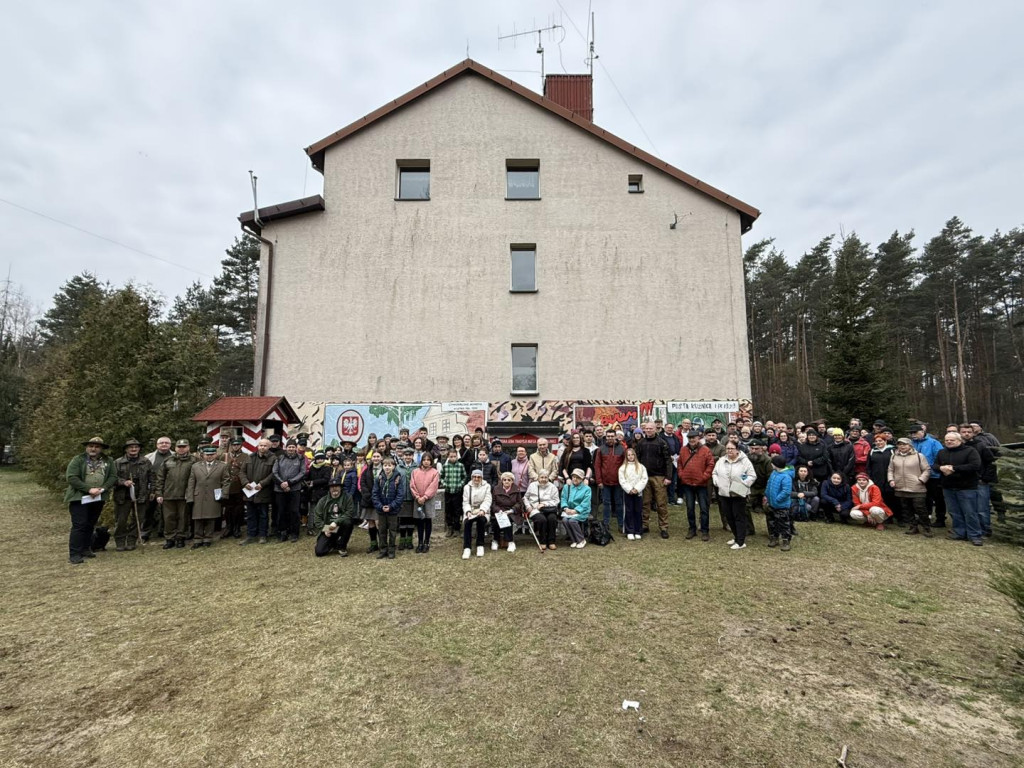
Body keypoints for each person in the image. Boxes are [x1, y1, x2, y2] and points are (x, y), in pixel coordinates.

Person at [64, 436, 117, 564]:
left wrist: (103, 489)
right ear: (87, 447)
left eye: (97, 446)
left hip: (98, 497)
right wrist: (89, 489)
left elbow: (113, 477)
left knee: (90, 524)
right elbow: (71, 477)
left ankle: (85, 549)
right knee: (79, 525)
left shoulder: (108, 461)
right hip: (79, 497)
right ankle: (74, 553)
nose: (93, 449)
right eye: (91, 446)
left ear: (101, 449)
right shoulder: (78, 459)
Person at [933, 431, 983, 546]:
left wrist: (954, 468)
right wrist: (941, 468)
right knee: (954, 512)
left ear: (959, 441)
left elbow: (975, 465)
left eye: (952, 440)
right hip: (948, 487)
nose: (949, 442)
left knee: (970, 512)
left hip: (967, 487)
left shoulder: (970, 451)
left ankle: (974, 535)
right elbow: (934, 465)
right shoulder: (942, 452)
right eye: (947, 440)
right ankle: (959, 532)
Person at [186, 444, 231, 548]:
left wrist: (224, 494)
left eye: (212, 454)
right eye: (207, 454)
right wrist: (190, 496)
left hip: (214, 495)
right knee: (198, 518)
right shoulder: (195, 466)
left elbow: (226, 481)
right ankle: (197, 539)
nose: (209, 456)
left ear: (215, 455)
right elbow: (191, 482)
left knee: (211, 518)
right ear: (203, 455)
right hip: (198, 495)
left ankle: (207, 538)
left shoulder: (222, 466)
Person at [712, 442, 755, 550]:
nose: (729, 450)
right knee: (729, 516)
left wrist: (742, 483)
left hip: (738, 493)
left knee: (738, 516)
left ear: (737, 449)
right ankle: (736, 537)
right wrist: (717, 482)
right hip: (724, 493)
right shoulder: (721, 460)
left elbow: (752, 475)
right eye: (728, 448)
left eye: (732, 448)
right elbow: (715, 473)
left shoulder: (745, 461)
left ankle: (741, 541)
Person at [112, 438, 152, 551]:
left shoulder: (145, 462)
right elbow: (112, 478)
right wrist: (123, 482)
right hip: (123, 496)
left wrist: (152, 491)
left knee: (138, 519)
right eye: (131, 447)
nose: (134, 449)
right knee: (121, 520)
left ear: (139, 449)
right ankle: (120, 540)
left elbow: (152, 477)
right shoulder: (118, 462)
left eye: (136, 447)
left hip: (141, 495)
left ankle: (131, 540)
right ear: (126, 449)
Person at [155, 439, 196, 549]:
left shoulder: (194, 460)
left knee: (183, 518)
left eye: (184, 446)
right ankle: (169, 538)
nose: (181, 449)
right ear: (175, 448)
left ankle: (180, 538)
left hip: (184, 495)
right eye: (179, 447)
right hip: (168, 495)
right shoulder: (168, 460)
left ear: (188, 447)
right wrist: (159, 493)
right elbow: (160, 478)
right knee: (168, 518)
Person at [887, 437, 932, 536]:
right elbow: (890, 470)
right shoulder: (894, 456)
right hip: (900, 486)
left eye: (904, 444)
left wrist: (921, 480)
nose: (902, 446)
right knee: (906, 509)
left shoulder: (919, 456)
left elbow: (927, 470)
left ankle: (926, 527)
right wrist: (891, 480)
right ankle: (913, 526)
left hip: (916, 487)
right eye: (900, 444)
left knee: (920, 508)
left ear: (910, 445)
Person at [635, 421, 672, 538]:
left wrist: (668, 477)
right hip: (644, 478)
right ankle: (645, 525)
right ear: (644, 430)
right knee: (645, 503)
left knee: (661, 503)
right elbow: (637, 461)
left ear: (656, 429)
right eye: (647, 428)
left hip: (659, 477)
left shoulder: (662, 442)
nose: (649, 430)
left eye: (651, 428)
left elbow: (668, 461)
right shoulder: (641, 443)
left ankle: (664, 527)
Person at [677, 430, 715, 541]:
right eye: (690, 438)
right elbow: (679, 463)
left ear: (698, 438)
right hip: (687, 483)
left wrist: (704, 477)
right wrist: (681, 475)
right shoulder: (683, 450)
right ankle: (692, 529)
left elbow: (710, 464)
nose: (692, 440)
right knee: (690, 508)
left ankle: (705, 530)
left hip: (702, 484)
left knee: (704, 508)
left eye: (694, 438)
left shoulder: (705, 450)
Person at [959, 423, 996, 537]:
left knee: (982, 508)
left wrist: (985, 478)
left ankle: (985, 529)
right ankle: (968, 528)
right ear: (959, 433)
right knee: (967, 508)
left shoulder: (981, 445)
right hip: (963, 482)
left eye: (969, 432)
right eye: (964, 432)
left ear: (973, 433)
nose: (966, 434)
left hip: (980, 482)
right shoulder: (956, 446)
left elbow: (991, 463)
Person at [239, 438, 275, 544]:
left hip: (263, 491)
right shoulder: (250, 457)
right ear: (257, 446)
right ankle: (250, 535)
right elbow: (242, 472)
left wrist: (262, 484)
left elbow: (273, 474)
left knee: (263, 514)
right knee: (250, 514)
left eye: (265, 445)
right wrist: (245, 483)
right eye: (260, 445)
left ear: (269, 447)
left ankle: (262, 535)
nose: (262, 447)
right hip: (250, 491)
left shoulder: (273, 458)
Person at [910, 423, 946, 528]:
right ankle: (925, 517)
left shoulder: (933, 443)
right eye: (911, 433)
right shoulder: (911, 443)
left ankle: (940, 519)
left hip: (934, 476)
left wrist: (934, 469)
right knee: (924, 498)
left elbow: (939, 457)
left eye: (915, 432)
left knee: (938, 498)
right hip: (918, 476)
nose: (913, 435)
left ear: (922, 432)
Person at [372, 456, 405, 559]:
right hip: (381, 510)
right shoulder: (379, 478)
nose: (387, 467)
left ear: (394, 466)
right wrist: (380, 506)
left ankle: (391, 549)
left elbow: (400, 496)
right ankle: (383, 549)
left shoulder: (397, 479)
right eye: (385, 465)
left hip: (393, 511)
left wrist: (391, 506)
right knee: (381, 530)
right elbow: (375, 494)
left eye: (389, 465)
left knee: (392, 531)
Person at [313, 478, 357, 556]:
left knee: (348, 522)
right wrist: (325, 529)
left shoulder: (348, 498)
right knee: (319, 552)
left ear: (340, 487)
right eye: (332, 487)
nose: (334, 488)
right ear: (329, 489)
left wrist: (336, 522)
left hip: (341, 526)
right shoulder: (323, 501)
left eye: (337, 486)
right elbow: (317, 518)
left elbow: (349, 513)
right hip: (328, 527)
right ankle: (333, 543)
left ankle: (341, 546)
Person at [594, 430, 626, 530]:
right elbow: (597, 466)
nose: (610, 438)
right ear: (605, 437)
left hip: (618, 482)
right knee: (606, 503)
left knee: (619, 503)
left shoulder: (622, 449)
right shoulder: (601, 449)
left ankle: (621, 524)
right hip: (605, 482)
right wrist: (599, 481)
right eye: (608, 436)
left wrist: (624, 480)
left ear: (615, 437)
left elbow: (625, 465)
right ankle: (606, 523)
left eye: (612, 436)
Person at [142, 436, 172, 540]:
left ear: (170, 445)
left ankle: (164, 531)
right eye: (161, 443)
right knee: (149, 511)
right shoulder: (148, 457)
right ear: (157, 445)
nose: (164, 445)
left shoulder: (175, 456)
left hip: (169, 488)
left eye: (166, 443)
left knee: (168, 511)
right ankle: (145, 533)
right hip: (152, 488)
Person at [410, 453, 440, 554]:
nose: (426, 461)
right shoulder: (415, 471)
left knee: (427, 520)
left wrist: (425, 496)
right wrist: (417, 497)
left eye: (428, 460)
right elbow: (412, 485)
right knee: (419, 522)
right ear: (421, 461)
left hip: (429, 500)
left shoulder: (435, 472)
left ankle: (427, 542)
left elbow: (433, 486)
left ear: (431, 461)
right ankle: (420, 542)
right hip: (417, 500)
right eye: (424, 459)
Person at [524, 470, 560, 550]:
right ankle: (543, 541)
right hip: (535, 509)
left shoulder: (552, 487)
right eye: (542, 477)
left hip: (549, 509)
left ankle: (551, 542)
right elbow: (525, 497)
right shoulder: (532, 485)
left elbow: (556, 500)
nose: (543, 479)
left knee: (552, 519)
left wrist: (545, 504)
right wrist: (528, 506)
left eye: (545, 477)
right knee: (542, 520)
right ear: (538, 477)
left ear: (548, 478)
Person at [764, 455, 794, 550]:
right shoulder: (774, 473)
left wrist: (777, 499)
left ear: (775, 465)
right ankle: (774, 538)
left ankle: (786, 541)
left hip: (781, 505)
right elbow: (769, 485)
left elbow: (786, 491)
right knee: (772, 522)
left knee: (783, 523)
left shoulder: (786, 476)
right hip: (771, 503)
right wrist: (767, 495)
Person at [618, 447, 648, 540]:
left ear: (635, 455)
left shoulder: (641, 466)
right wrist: (630, 489)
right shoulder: (623, 468)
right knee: (629, 511)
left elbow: (644, 479)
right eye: (629, 455)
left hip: (638, 492)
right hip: (628, 492)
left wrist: (637, 489)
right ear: (626, 457)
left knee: (638, 511)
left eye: (632, 455)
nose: (631, 457)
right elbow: (622, 480)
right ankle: (629, 530)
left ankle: (638, 530)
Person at [461, 468, 492, 559]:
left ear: (481, 478)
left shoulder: (487, 486)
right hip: (471, 510)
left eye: (479, 477)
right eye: (474, 477)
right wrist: (468, 512)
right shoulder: (467, 487)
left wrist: (483, 510)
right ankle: (467, 548)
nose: (476, 479)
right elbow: (465, 502)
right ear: (471, 477)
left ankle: (480, 545)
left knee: (481, 521)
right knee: (467, 523)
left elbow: (488, 499)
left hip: (483, 511)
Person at [492, 471, 524, 552]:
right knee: (496, 520)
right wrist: (498, 510)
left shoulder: (516, 489)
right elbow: (493, 503)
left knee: (507, 519)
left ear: (512, 481)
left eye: (509, 480)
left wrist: (512, 510)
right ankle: (495, 540)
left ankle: (510, 542)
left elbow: (519, 503)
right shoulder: (496, 489)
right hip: (499, 511)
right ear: (502, 481)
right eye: (504, 480)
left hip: (512, 511)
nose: (506, 481)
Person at [221, 438, 247, 539]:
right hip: (227, 486)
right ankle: (229, 527)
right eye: (233, 444)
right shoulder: (225, 456)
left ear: (241, 445)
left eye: (238, 444)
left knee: (238, 508)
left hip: (239, 486)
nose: (235, 446)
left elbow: (246, 471)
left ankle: (237, 528)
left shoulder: (246, 457)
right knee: (228, 508)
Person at [867, 434, 896, 522]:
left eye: (880, 441)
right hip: (876, 479)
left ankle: (892, 516)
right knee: (879, 498)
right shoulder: (872, 451)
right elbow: (869, 466)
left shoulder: (892, 450)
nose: (878, 443)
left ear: (885, 441)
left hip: (889, 478)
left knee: (890, 497)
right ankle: (882, 516)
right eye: (876, 441)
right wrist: (870, 478)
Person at [560, 468, 592, 548]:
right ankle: (574, 540)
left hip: (582, 511)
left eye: (577, 477)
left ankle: (581, 540)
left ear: (582, 479)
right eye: (573, 476)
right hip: (569, 510)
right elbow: (563, 498)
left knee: (572, 521)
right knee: (564, 520)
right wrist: (565, 508)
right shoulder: (567, 487)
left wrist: (576, 510)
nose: (575, 479)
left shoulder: (587, 489)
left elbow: (585, 503)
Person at [662, 423, 682, 505]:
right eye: (668, 428)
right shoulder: (660, 437)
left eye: (671, 428)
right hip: (664, 463)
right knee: (664, 481)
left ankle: (671, 499)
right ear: (665, 428)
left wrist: (678, 455)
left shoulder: (675, 437)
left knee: (673, 481)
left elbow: (679, 447)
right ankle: (663, 499)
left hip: (675, 461)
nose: (670, 429)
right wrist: (668, 456)